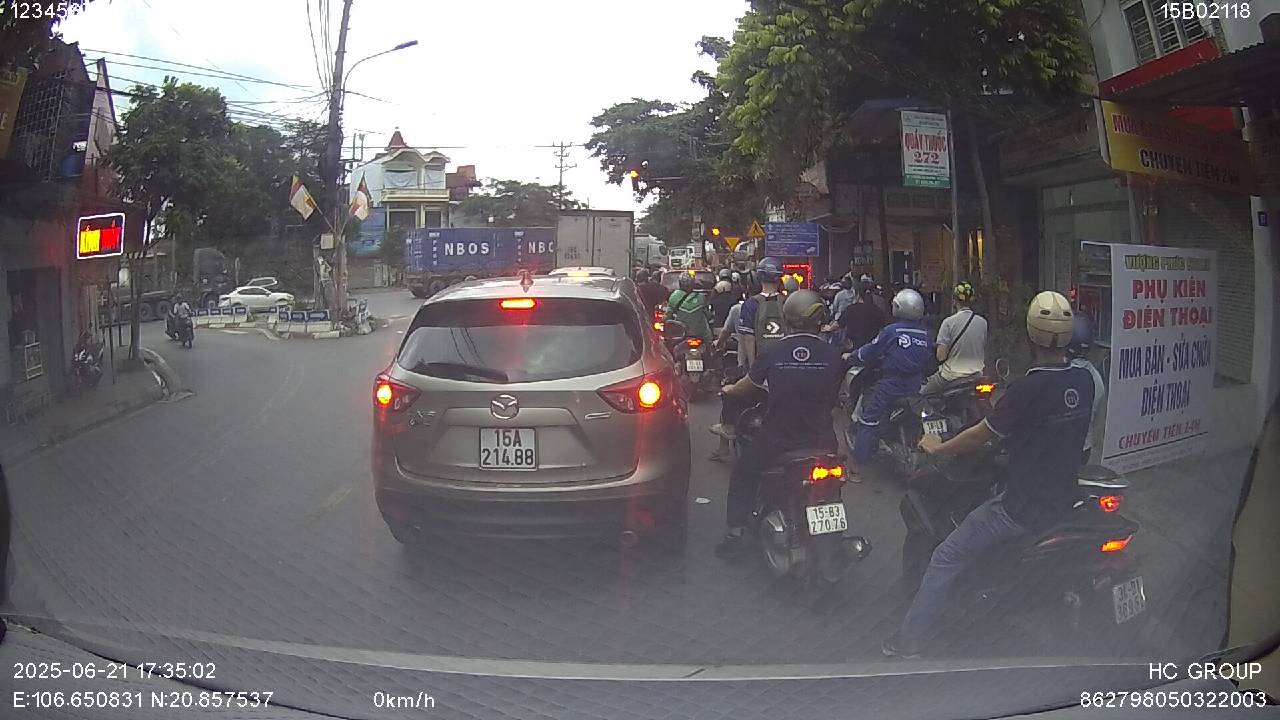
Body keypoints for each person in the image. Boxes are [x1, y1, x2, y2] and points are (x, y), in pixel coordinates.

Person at [883, 291, 1093, 658]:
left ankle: (909, 641)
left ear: (1030, 335)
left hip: (1020, 509)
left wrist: (938, 447)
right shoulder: (1085, 381)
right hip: (1065, 502)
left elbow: (981, 435)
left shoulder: (1027, 388)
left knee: (946, 555)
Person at [714, 290, 845, 559]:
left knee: (743, 474)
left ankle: (735, 534)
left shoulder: (773, 352)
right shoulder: (833, 355)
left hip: (778, 437)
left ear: (787, 318)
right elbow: (836, 394)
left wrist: (729, 389)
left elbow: (748, 386)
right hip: (822, 438)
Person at [847, 288, 932, 467]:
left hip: (892, 385)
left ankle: (858, 466)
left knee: (868, 421)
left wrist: (851, 356)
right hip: (916, 384)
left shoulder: (892, 331)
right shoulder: (925, 334)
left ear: (898, 307)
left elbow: (869, 351)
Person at [921, 281, 989, 395]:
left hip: (950, 376)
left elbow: (941, 356)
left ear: (954, 301)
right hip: (977, 375)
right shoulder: (983, 323)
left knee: (922, 396)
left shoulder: (948, 323)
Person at [1067, 315, 1106, 462]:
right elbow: (1097, 422)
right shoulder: (1096, 378)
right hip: (1084, 447)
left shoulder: (1059, 372)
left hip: (1059, 446)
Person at [736, 257, 787, 369]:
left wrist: (753, 368)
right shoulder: (787, 302)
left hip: (762, 365)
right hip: (784, 363)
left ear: (758, 277)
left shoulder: (750, 304)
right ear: (779, 278)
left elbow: (749, 339)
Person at [837, 278, 886, 351]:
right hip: (872, 349)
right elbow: (883, 329)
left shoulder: (850, 309)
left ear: (857, 294)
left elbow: (839, 324)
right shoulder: (878, 311)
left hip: (853, 349)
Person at [665, 272, 713, 343]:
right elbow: (708, 315)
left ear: (680, 283)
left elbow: (668, 315)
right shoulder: (701, 297)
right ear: (693, 284)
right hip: (701, 335)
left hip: (680, 334)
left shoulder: (674, 296)